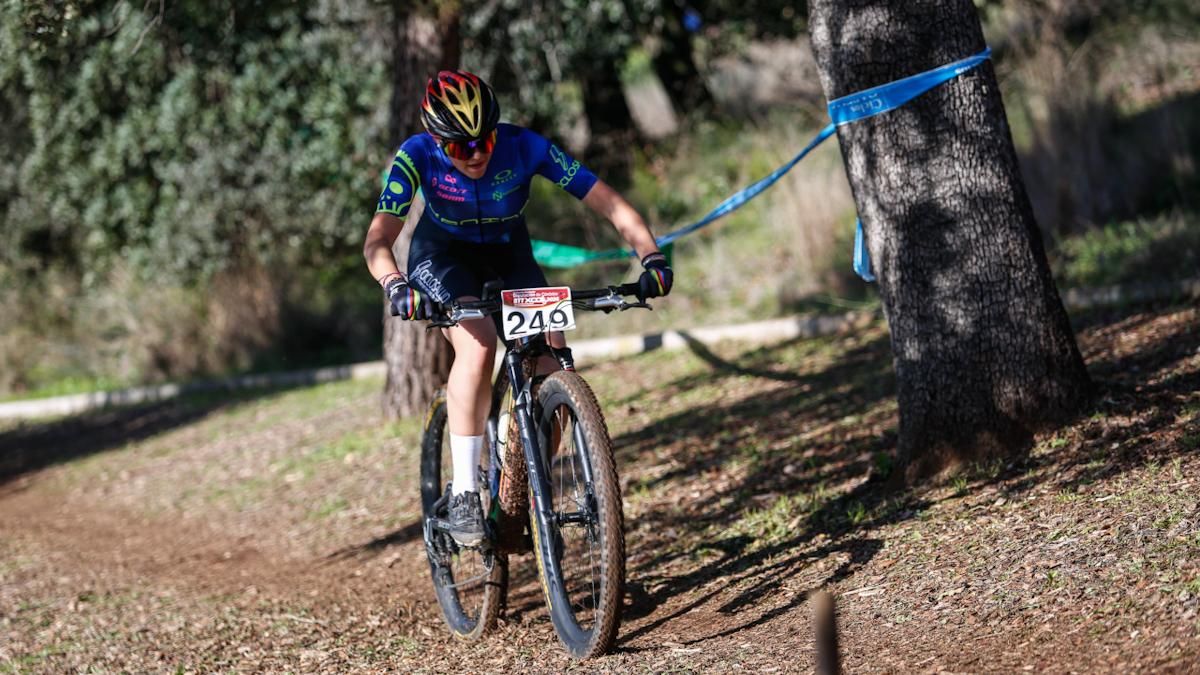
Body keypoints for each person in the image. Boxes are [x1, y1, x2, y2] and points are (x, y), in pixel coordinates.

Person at [363, 70, 673, 546]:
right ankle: (467, 490)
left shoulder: (524, 146)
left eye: (484, 141)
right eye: (459, 147)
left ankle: (525, 482)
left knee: (552, 360)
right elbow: (378, 239)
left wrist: (650, 256)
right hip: (443, 258)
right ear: (437, 140)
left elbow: (610, 204)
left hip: (511, 254)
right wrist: (394, 284)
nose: (476, 155)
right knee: (479, 343)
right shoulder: (416, 155)